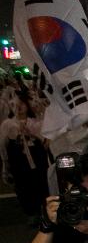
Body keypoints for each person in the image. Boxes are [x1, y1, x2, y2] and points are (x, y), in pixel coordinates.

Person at [1, 91, 51, 223]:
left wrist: (32, 133)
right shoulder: (8, 124)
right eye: (16, 105)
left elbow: (45, 143)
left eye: (22, 104)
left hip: (37, 158)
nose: (19, 107)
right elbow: (3, 145)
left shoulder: (35, 122)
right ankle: (31, 212)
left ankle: (44, 210)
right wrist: (5, 165)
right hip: (19, 160)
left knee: (41, 183)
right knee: (23, 185)